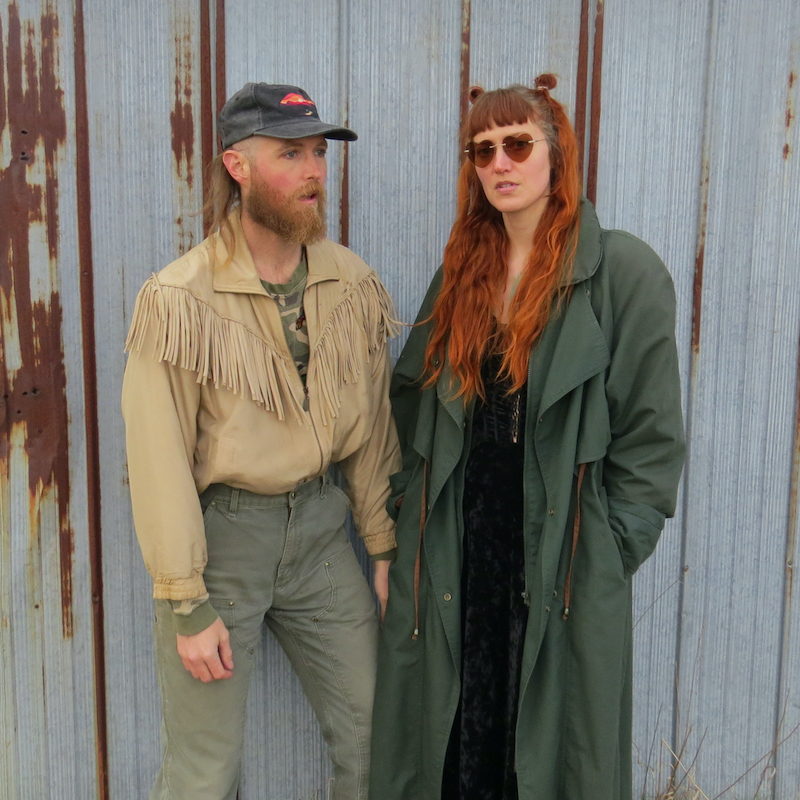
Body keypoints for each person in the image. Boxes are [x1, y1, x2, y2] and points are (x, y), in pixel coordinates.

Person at [370, 74, 686, 800]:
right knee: (453, 745)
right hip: (460, 549)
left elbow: (651, 438)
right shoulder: (461, 274)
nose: (500, 164)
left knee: (550, 758)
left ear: (556, 154)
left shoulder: (621, 273)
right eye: (482, 151)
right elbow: (411, 404)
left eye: (518, 144)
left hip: (560, 559)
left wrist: (607, 549)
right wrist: (407, 519)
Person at [122, 82, 400, 800]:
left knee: (379, 740)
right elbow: (158, 461)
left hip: (320, 535)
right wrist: (187, 602)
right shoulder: (180, 299)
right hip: (223, 548)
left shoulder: (350, 283)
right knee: (204, 773)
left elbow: (372, 430)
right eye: (290, 155)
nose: (313, 172)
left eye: (318, 153)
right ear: (237, 166)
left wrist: (382, 546)